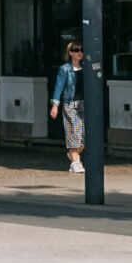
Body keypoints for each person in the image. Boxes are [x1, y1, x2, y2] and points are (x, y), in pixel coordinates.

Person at [50, 39, 90, 172]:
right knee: (74, 134)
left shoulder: (86, 67)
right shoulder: (65, 69)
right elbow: (58, 87)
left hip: (84, 105)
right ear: (70, 53)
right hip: (70, 104)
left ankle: (72, 155)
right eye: (76, 50)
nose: (79, 53)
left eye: (81, 50)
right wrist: (55, 105)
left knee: (85, 136)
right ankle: (76, 162)